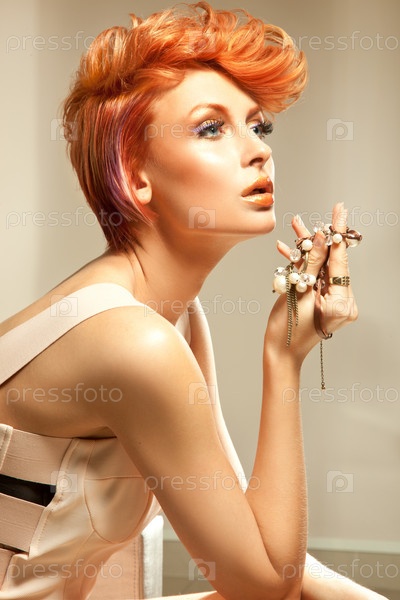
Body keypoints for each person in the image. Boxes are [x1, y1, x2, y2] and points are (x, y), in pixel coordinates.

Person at [0, 2, 387, 599]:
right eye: (211, 128)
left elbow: (259, 548)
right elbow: (264, 587)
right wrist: (283, 359)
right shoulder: (133, 343)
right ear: (136, 177)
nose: (258, 150)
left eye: (258, 126)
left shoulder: (171, 319)